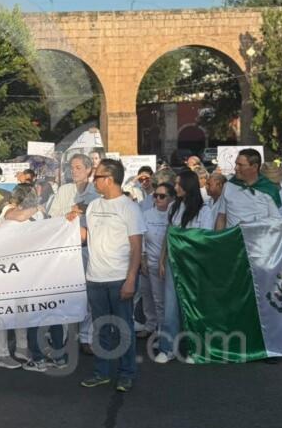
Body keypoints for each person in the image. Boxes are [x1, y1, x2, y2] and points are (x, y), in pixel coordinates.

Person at [72, 159, 145, 392]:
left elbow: (136, 246)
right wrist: (69, 224)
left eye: (97, 177)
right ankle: (101, 372)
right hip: (95, 278)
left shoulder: (129, 207)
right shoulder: (94, 205)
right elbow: (85, 236)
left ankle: (126, 373)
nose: (93, 181)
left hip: (119, 279)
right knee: (100, 328)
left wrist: (131, 279)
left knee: (124, 328)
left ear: (110, 179)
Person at [2, 184, 66, 372]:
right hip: (48, 270)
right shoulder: (42, 215)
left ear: (17, 200)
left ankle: (38, 359)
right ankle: (59, 357)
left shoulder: (15, 217)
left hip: (30, 273)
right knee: (53, 314)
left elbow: (12, 218)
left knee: (34, 316)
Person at [156, 170, 213, 364]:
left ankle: (196, 349)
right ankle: (167, 348)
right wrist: (162, 259)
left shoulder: (204, 210)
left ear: (188, 186)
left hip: (193, 264)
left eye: (179, 184)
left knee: (192, 307)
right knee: (170, 307)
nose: (176, 187)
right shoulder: (173, 207)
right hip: (173, 262)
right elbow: (168, 234)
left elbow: (205, 239)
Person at [49, 153, 99, 353]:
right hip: (66, 249)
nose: (74, 171)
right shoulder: (64, 190)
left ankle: (86, 337)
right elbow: (52, 217)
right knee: (66, 293)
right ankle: (62, 336)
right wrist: (70, 213)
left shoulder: (96, 191)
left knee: (88, 295)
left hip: (88, 248)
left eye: (78, 167)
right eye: (72, 167)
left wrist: (86, 210)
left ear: (88, 169)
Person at [138, 182, 174, 341]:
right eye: (155, 195)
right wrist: (142, 257)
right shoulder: (146, 214)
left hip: (166, 265)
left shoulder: (174, 215)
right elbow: (141, 237)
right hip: (149, 262)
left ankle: (163, 334)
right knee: (148, 296)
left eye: (162, 196)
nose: (158, 198)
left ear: (171, 198)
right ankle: (151, 327)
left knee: (162, 301)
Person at [214, 149, 281, 229]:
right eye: (236, 164)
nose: (236, 168)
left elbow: (276, 221)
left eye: (240, 165)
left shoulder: (268, 189)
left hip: (257, 236)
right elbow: (221, 216)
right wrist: (219, 236)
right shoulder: (228, 186)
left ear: (254, 167)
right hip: (233, 236)